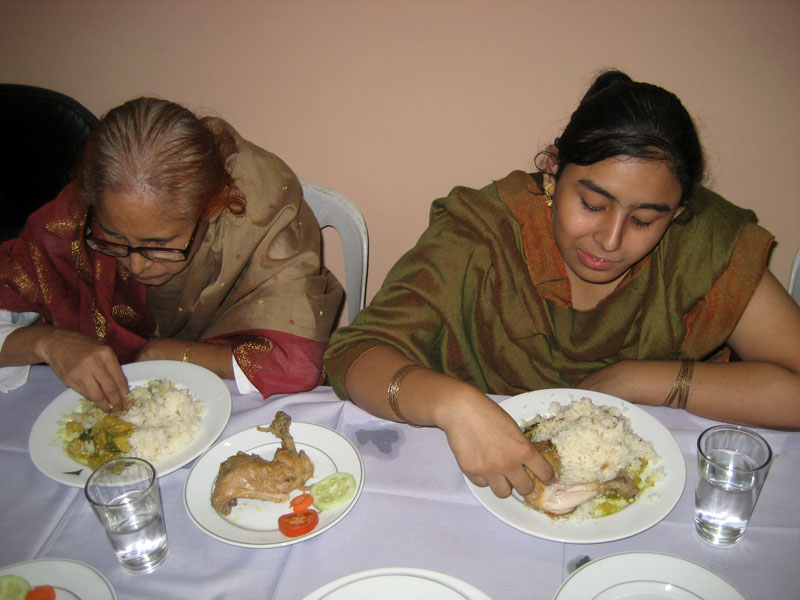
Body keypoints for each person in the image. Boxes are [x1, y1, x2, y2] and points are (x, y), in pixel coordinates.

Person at [323, 70, 800, 500]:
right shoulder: (482, 233)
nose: (610, 240)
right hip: (473, 487)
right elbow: (355, 354)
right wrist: (451, 404)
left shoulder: (704, 245)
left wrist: (639, 379)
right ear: (552, 169)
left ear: (676, 214)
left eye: (644, 220)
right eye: (593, 204)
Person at [0, 97, 343, 412]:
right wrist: (50, 343)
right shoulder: (75, 217)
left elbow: (297, 363)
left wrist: (166, 352)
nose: (136, 264)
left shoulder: (260, 215)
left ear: (212, 209)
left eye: (159, 244)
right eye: (113, 237)